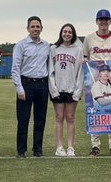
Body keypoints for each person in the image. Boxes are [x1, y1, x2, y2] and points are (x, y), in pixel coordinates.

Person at [84, 9, 111, 156]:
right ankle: (95, 146)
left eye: (106, 19)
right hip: (95, 78)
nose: (104, 22)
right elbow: (85, 56)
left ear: (110, 21)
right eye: (101, 19)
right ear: (96, 21)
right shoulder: (89, 38)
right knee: (95, 111)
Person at [12, 15, 50, 158]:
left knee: (40, 119)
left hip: (42, 85)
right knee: (23, 119)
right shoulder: (21, 45)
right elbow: (15, 68)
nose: (35, 29)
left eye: (37, 26)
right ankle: (21, 150)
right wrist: (19, 88)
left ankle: (37, 150)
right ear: (28, 28)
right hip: (26, 84)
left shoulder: (46, 45)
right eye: (32, 26)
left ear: (41, 28)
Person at [48, 23, 83, 157]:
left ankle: (70, 147)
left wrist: (77, 91)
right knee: (59, 117)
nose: (67, 34)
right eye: (65, 31)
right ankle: (59, 147)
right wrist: (53, 90)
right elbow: (50, 70)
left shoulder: (77, 50)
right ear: (61, 33)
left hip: (71, 89)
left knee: (70, 117)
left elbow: (79, 71)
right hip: (58, 88)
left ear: (73, 34)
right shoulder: (54, 49)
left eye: (69, 32)